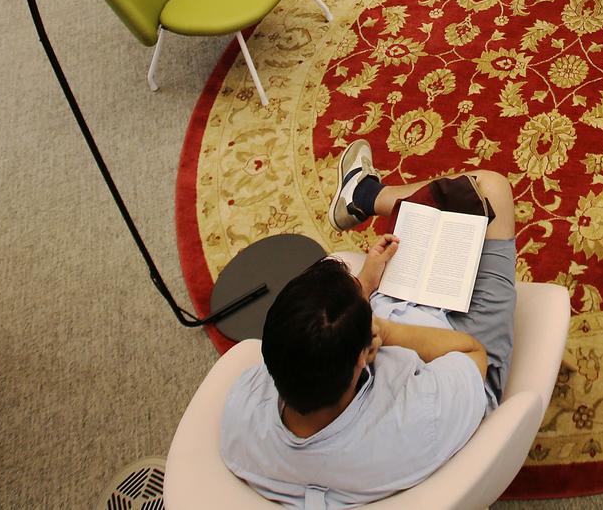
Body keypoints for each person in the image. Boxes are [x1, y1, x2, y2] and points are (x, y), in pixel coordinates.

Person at [219, 144, 518, 507]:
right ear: (366, 356)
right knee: (489, 189)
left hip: (376, 347)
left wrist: (365, 285)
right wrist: (389, 333)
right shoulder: (422, 418)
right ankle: (367, 194)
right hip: (459, 358)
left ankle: (362, 194)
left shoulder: (242, 420)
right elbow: (474, 353)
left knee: (447, 208)